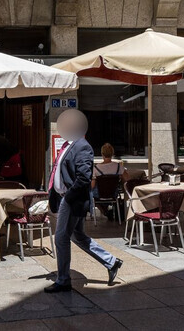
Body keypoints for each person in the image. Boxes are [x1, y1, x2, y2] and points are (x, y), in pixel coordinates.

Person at [45, 109, 122, 293]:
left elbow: (84, 177)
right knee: (77, 235)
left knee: (61, 237)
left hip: (72, 200)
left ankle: (63, 280)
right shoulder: (67, 145)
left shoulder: (82, 146)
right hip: (66, 198)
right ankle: (111, 262)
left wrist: (68, 197)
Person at [91, 143, 126, 221]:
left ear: (102, 154)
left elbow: (92, 186)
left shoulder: (96, 168)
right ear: (112, 154)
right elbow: (127, 180)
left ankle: (104, 211)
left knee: (90, 194)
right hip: (113, 193)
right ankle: (106, 210)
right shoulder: (118, 167)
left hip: (99, 194)